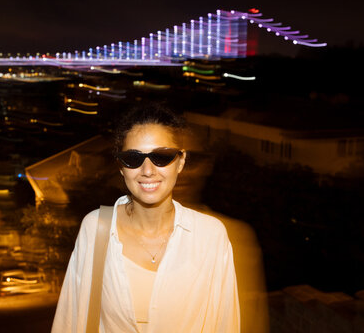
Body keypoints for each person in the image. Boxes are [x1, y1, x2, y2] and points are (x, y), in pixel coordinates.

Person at [51, 103, 240, 333]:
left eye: (161, 156)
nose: (148, 170)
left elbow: (224, 324)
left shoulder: (210, 236)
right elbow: (70, 321)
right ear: (121, 167)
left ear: (181, 162)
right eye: (133, 158)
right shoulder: (96, 228)